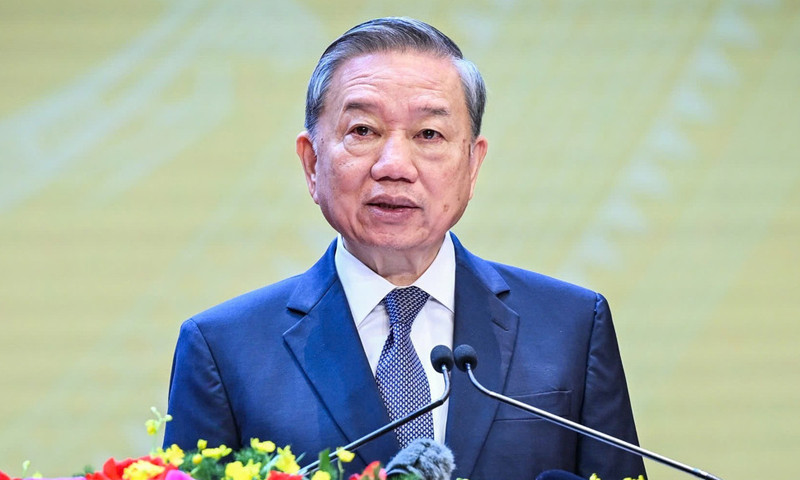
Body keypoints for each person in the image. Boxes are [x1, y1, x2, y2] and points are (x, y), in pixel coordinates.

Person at [163, 17, 646, 480]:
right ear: (311, 163)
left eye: (428, 134)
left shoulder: (572, 328)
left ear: (473, 165)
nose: (394, 166)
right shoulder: (224, 351)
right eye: (363, 131)